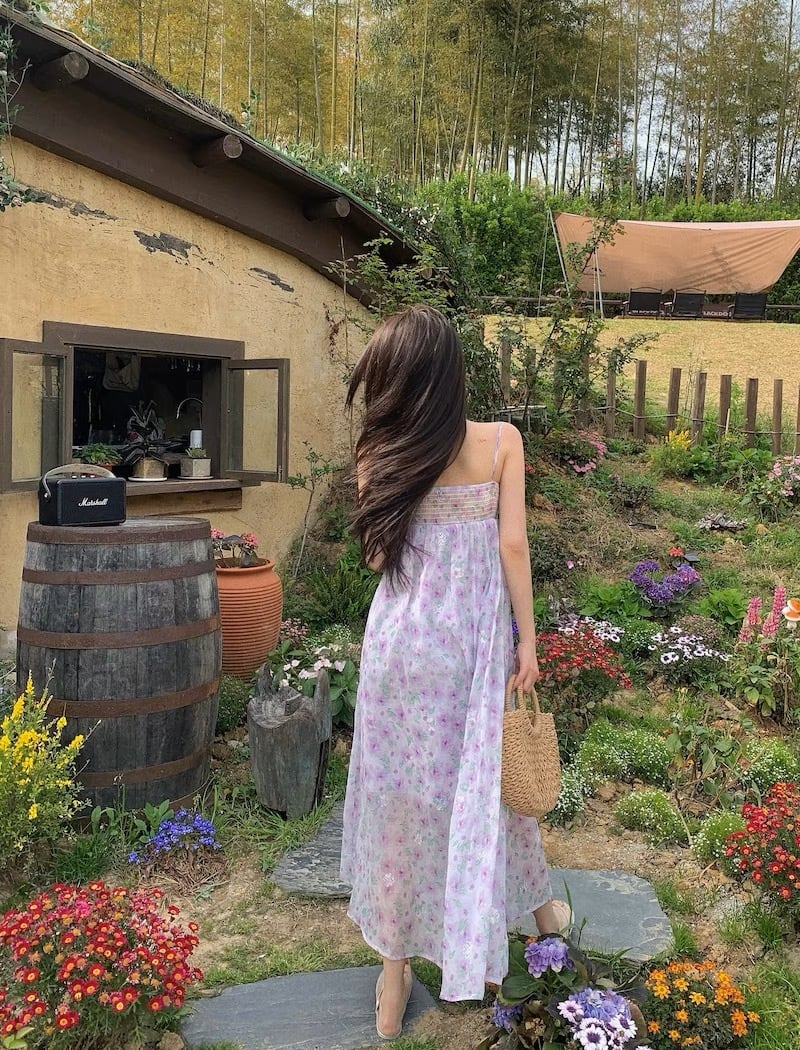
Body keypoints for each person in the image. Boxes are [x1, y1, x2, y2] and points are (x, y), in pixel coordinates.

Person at [340, 304, 569, 1041]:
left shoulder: (381, 453)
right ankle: (542, 921)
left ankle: (394, 973)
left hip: (401, 652)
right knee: (488, 784)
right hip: (470, 652)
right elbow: (513, 548)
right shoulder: (502, 442)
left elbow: (377, 559)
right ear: (452, 373)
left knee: (400, 802)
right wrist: (527, 641)